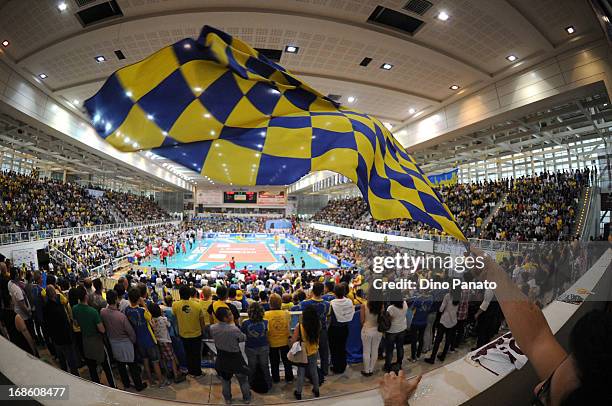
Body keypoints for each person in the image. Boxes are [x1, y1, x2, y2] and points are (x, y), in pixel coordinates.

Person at [380, 246, 612, 405]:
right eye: (545, 385)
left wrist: (396, 402)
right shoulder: (583, 377)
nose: (536, 387)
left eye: (544, 397)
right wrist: (490, 269)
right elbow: (538, 336)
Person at [100, 289, 146, 391]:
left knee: (120, 365)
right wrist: (133, 341)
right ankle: (138, 385)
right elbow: (131, 333)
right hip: (125, 342)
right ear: (116, 299)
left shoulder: (103, 312)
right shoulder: (121, 316)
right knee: (132, 365)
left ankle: (126, 383)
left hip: (113, 341)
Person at [72, 285, 115, 387]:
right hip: (97, 341)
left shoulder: (75, 308)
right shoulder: (93, 312)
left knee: (92, 368)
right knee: (106, 366)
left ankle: (96, 386)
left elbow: (76, 324)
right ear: (86, 296)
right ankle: (113, 386)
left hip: (85, 341)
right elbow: (102, 329)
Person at [210, 307, 252, 404]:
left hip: (222, 357)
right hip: (235, 358)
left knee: (225, 380)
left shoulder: (212, 328)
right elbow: (243, 338)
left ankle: (228, 399)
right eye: (230, 314)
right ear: (225, 318)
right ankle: (246, 398)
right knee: (242, 380)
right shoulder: (233, 329)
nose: (232, 315)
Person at [124, 287, 164, 387]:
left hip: (139, 340)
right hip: (149, 340)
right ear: (139, 299)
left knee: (145, 360)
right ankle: (161, 381)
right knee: (155, 362)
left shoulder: (127, 310)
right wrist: (144, 304)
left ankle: (150, 380)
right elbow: (153, 324)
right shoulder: (143, 311)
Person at [43, 286, 79, 376]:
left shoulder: (46, 307)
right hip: (64, 338)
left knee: (62, 359)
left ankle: (65, 374)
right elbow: (64, 321)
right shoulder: (57, 305)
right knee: (71, 360)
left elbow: (47, 325)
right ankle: (75, 376)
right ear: (54, 294)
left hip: (56, 339)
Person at [172, 285, 206, 376]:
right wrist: (203, 331)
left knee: (188, 354)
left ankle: (190, 371)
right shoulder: (197, 305)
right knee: (196, 355)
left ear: (180, 294)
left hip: (183, 334)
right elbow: (202, 321)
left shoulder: (175, 305)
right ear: (190, 294)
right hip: (196, 334)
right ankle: (197, 372)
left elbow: (175, 317)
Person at [148, 302, 186, 384]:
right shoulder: (163, 319)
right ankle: (176, 375)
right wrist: (163, 315)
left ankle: (168, 372)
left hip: (158, 341)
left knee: (164, 358)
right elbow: (169, 325)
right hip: (166, 341)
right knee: (172, 358)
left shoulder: (152, 320)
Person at [300, 282, 331, 375]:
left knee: (309, 353)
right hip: (322, 330)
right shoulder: (327, 304)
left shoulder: (304, 303)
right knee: (324, 351)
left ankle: (310, 372)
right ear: (322, 292)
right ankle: (325, 370)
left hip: (309, 331)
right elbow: (327, 316)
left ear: (312, 291)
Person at [240, 302, 272, 390]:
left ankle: (250, 384)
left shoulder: (245, 322)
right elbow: (267, 333)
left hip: (250, 347)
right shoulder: (266, 322)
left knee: (251, 367)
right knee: (265, 366)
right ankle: (269, 384)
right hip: (264, 346)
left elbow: (242, 334)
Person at [292, 305, 321, 400]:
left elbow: (294, 340)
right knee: (314, 371)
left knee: (301, 373)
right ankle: (316, 390)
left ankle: (299, 393)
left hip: (303, 352)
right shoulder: (318, 324)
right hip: (314, 350)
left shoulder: (299, 326)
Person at [425, 289, 460, 364]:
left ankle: (432, 358)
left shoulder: (448, 296)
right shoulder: (459, 296)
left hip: (444, 321)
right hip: (453, 321)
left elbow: (441, 309)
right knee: (448, 340)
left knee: (438, 340)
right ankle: (443, 356)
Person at [265, 293, 293, 383]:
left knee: (274, 362)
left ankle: (276, 378)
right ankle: (289, 377)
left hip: (272, 342)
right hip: (285, 341)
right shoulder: (286, 313)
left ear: (270, 303)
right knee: (287, 361)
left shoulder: (266, 314)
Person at [328, 283, 355, 374]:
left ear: (334, 293)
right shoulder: (349, 301)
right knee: (342, 347)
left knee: (334, 349)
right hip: (345, 328)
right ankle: (342, 366)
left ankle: (336, 367)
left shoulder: (332, 303)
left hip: (334, 329)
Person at [384, 299, 408, 372]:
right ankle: (399, 363)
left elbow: (388, 320)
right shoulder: (404, 303)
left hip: (392, 331)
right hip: (402, 328)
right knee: (400, 347)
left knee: (390, 350)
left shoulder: (391, 308)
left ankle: (387, 366)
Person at [361, 299, 383, 376]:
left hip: (367, 330)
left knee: (366, 351)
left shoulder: (364, 305)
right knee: (375, 350)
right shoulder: (381, 304)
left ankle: (366, 371)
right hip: (378, 331)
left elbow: (362, 320)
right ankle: (371, 369)